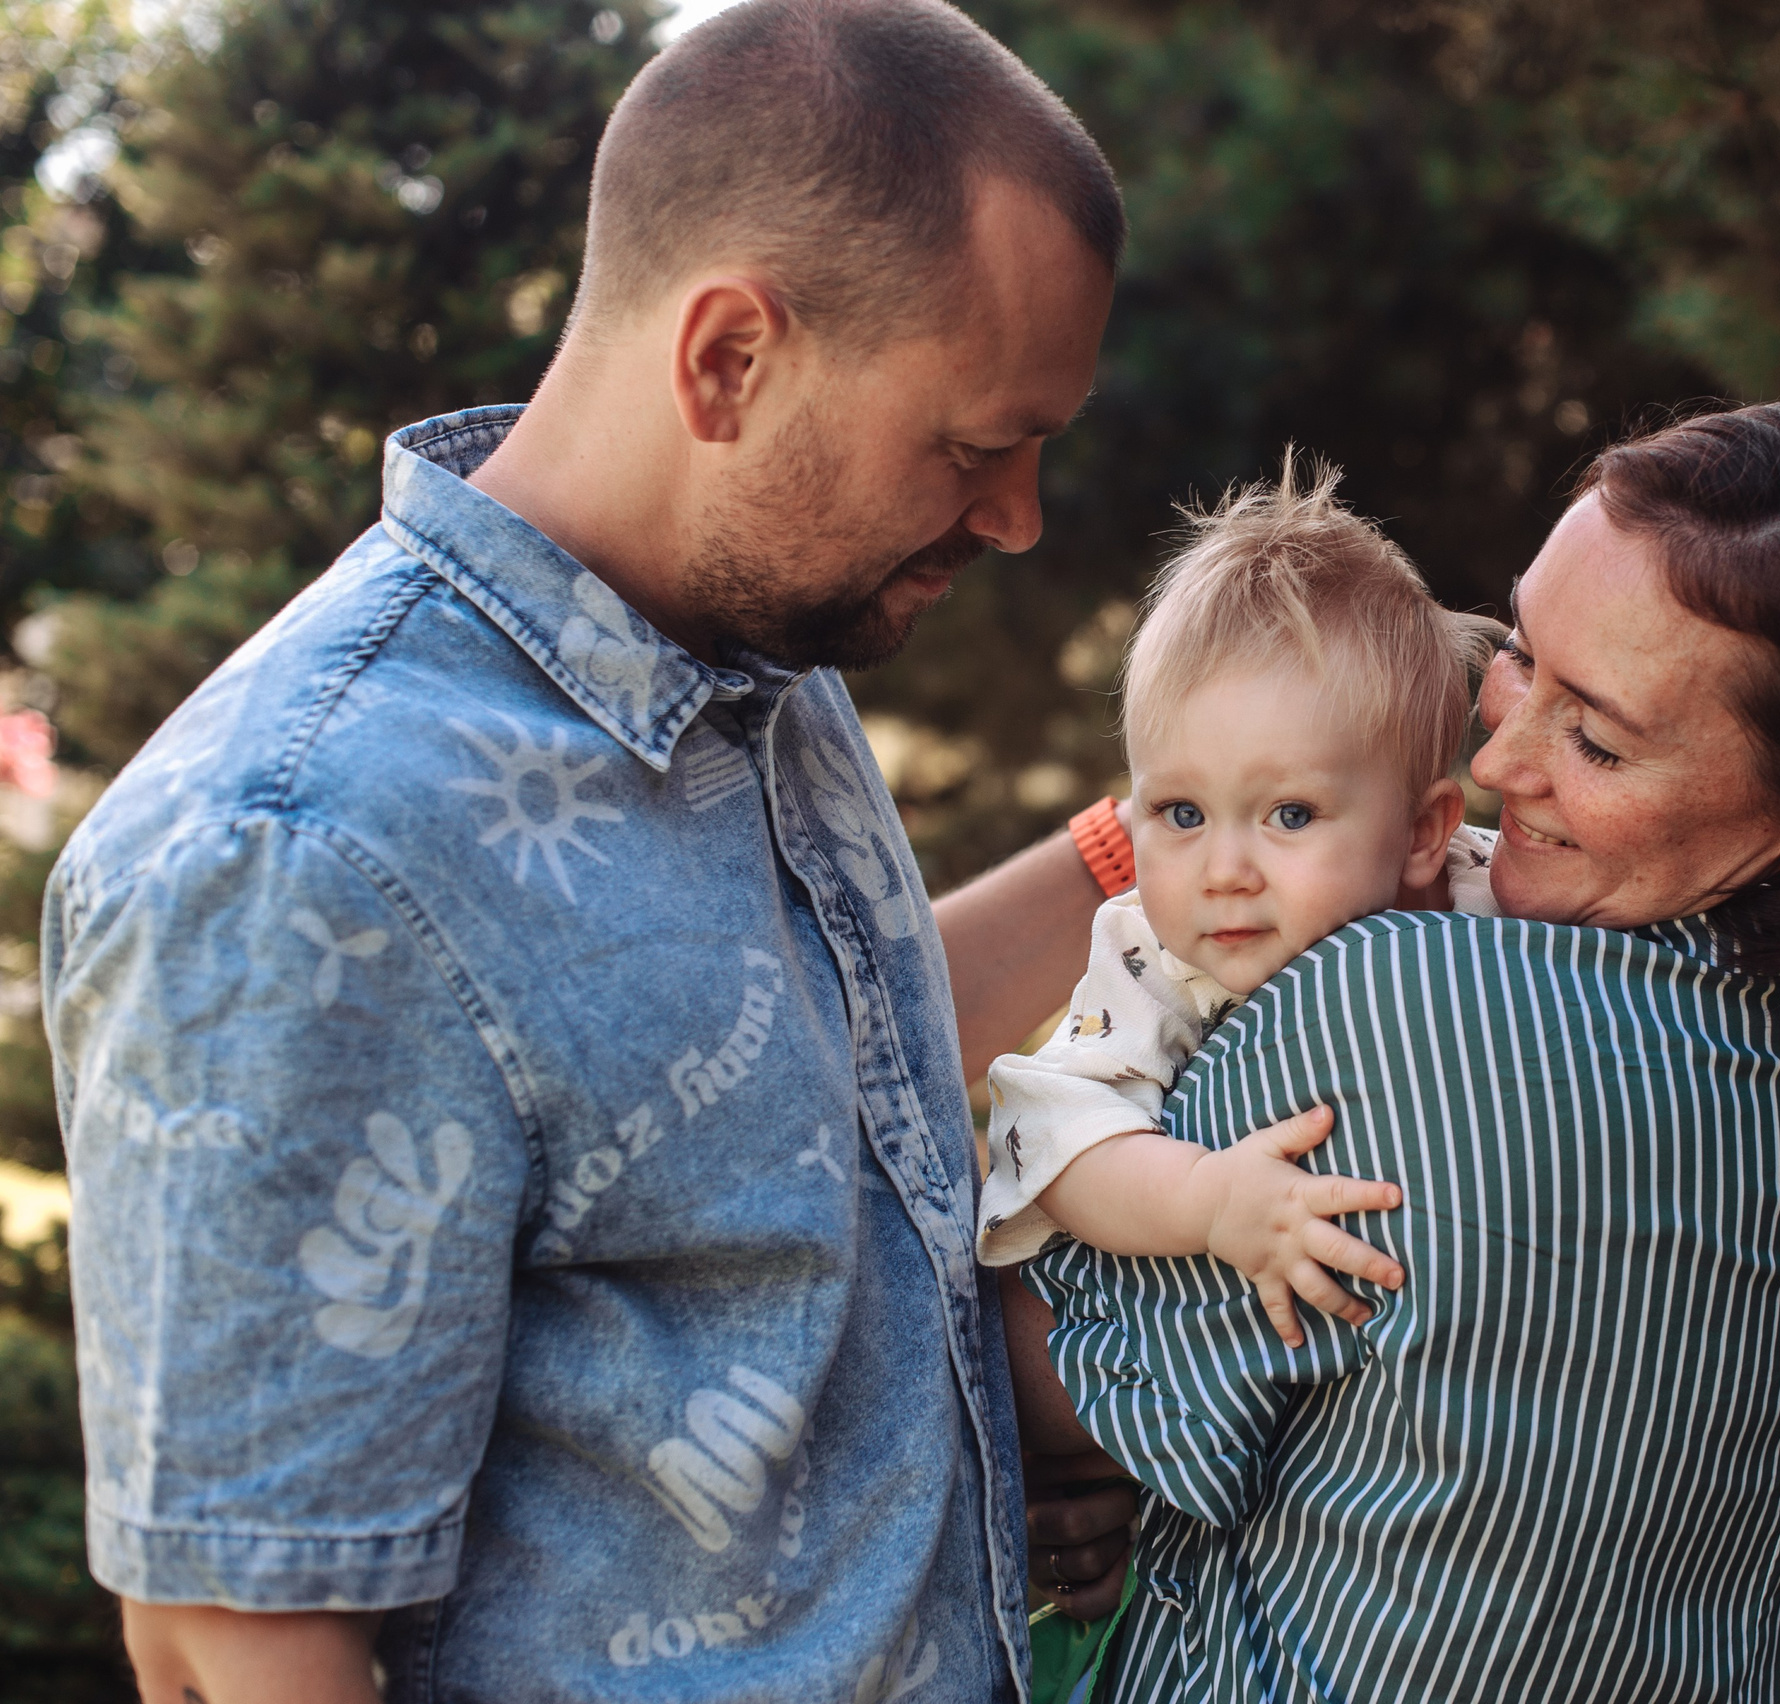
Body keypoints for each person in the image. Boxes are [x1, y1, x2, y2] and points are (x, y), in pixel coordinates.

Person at [43, 2, 1136, 1699]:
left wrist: (1201, 827)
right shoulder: (298, 853)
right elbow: (235, 1634)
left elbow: (822, 1062)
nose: (1019, 517)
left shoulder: (755, 646)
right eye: (976, 446)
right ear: (727, 361)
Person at [1014, 397, 1780, 1702]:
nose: (1499, 753)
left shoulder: (1399, 1013)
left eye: (1597, 738)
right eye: (1521, 652)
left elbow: (1030, 1368)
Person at [978, 459, 1503, 1349]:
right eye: (1181, 813)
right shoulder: (1158, 961)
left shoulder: (1493, 896)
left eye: (1289, 815)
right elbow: (1056, 1135)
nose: (1223, 871)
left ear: (1422, 831)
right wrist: (1209, 1200)